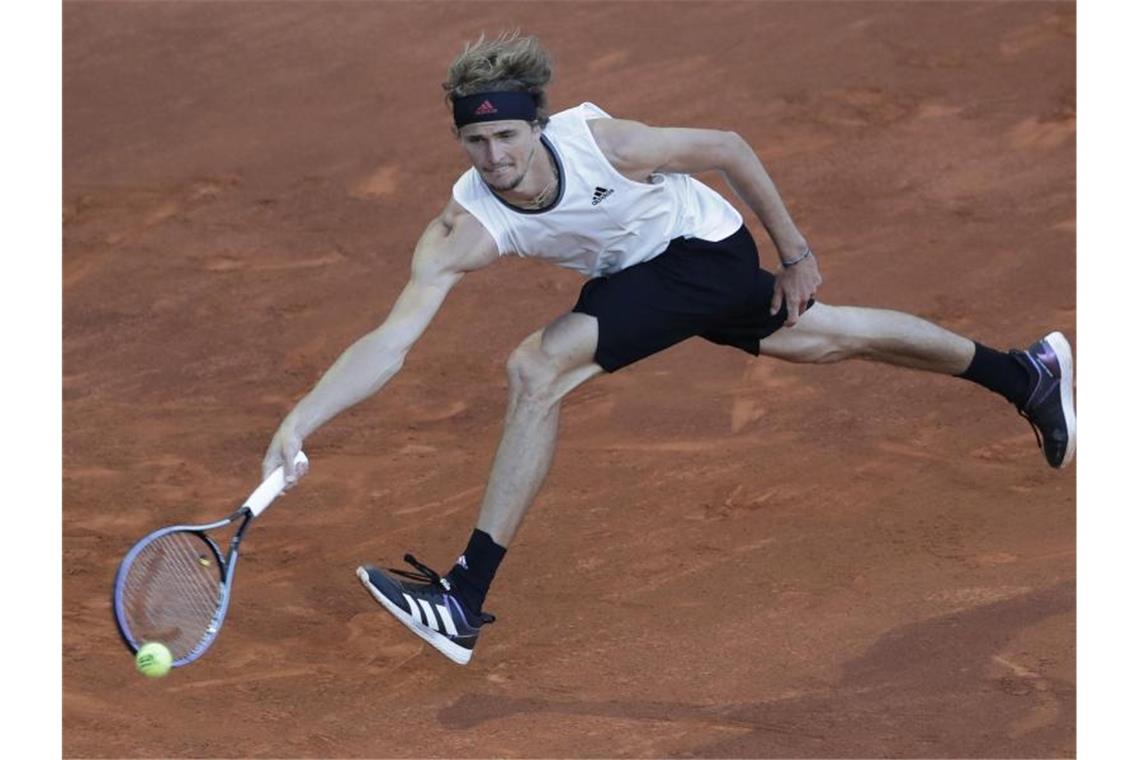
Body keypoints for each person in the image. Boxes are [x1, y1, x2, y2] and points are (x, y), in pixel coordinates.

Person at [261, 33, 1075, 665]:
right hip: (645, 278)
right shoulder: (462, 227)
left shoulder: (605, 145)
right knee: (828, 340)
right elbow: (392, 340)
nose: (496, 159)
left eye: (508, 136)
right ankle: (1025, 374)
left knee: (537, 368)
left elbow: (725, 145)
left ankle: (464, 597)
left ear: (536, 125)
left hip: (700, 253)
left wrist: (793, 253)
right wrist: (305, 414)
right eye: (477, 145)